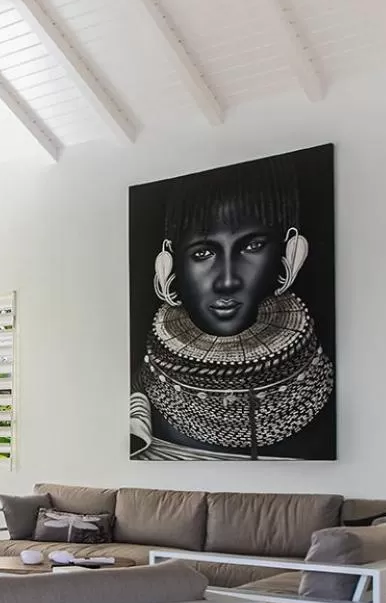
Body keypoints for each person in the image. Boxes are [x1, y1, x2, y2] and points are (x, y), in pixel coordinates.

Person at [130, 154, 333, 460]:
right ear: (171, 261)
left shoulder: (331, 406)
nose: (227, 281)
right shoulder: (137, 404)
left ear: (288, 250)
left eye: (252, 247)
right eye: (203, 253)